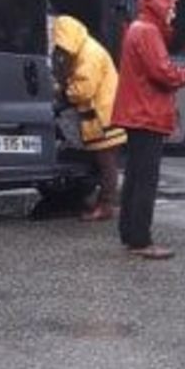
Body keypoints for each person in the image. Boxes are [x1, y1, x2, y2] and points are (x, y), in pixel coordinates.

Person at [111, 0, 185, 260]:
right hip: (146, 114)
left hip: (137, 114)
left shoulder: (138, 29)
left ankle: (129, 233)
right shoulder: (148, 32)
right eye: (171, 7)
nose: (173, 13)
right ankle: (141, 240)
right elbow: (164, 73)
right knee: (146, 180)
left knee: (134, 177)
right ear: (159, 6)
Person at [52, 15, 127, 222]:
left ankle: (106, 206)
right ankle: (97, 202)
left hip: (104, 119)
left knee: (106, 163)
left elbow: (84, 90)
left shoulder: (89, 55)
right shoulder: (86, 49)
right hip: (103, 117)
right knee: (101, 163)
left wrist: (63, 92)